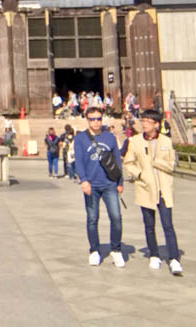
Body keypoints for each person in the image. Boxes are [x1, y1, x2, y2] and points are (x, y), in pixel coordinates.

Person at [123, 110, 183, 275]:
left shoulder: (166, 141)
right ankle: (154, 254)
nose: (145, 124)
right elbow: (128, 163)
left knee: (168, 225)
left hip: (163, 188)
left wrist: (157, 162)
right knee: (149, 225)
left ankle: (174, 258)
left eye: (148, 121)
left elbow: (171, 165)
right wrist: (140, 174)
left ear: (157, 124)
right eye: (143, 121)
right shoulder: (135, 141)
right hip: (146, 188)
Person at [74, 106, 125, 268]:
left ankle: (116, 249)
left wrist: (120, 182)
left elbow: (117, 160)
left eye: (98, 118)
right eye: (92, 119)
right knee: (92, 218)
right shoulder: (81, 138)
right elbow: (79, 161)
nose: (96, 122)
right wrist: (83, 180)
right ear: (87, 120)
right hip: (91, 184)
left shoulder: (109, 137)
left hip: (109, 183)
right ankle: (94, 250)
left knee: (116, 217)